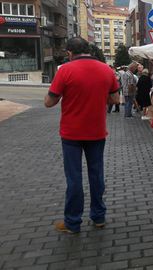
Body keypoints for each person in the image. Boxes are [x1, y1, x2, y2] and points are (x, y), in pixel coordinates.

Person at [44, 37, 120, 234]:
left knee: (74, 178)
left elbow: (49, 102)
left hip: (71, 134)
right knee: (96, 175)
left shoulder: (65, 70)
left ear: (70, 52)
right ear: (88, 49)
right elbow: (115, 98)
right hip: (96, 131)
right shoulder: (106, 69)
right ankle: (99, 217)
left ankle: (73, 222)